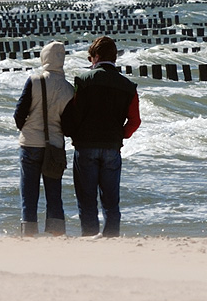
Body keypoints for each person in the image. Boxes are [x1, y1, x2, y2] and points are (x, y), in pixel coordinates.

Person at [62, 36, 140, 237]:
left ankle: (89, 237)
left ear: (96, 56)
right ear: (114, 58)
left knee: (87, 200)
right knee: (111, 201)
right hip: (112, 147)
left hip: (86, 145)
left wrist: (72, 133)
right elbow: (134, 121)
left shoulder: (83, 80)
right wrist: (121, 135)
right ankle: (111, 238)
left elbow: (75, 113)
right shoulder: (129, 86)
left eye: (91, 58)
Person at [12, 41, 74, 236]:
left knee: (28, 194)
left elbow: (19, 114)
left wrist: (28, 129)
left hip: (30, 144)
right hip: (54, 147)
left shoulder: (34, 81)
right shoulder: (69, 89)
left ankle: (29, 233)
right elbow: (69, 126)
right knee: (54, 193)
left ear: (44, 57)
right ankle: (56, 233)